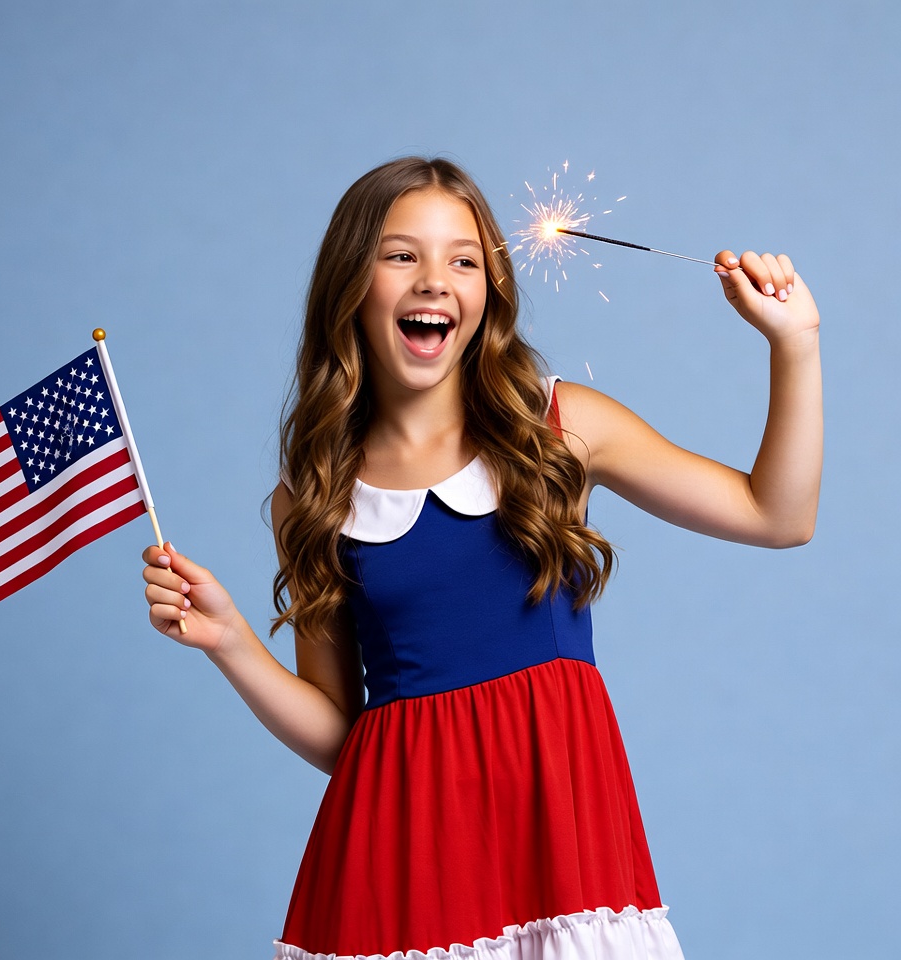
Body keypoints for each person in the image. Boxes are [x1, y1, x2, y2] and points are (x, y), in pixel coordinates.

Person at [141, 157, 821, 960]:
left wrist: (795, 346)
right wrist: (230, 643)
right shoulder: (316, 491)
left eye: (463, 259)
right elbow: (342, 735)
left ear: (489, 290)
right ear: (349, 285)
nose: (435, 280)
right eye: (401, 255)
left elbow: (777, 515)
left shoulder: (559, 426)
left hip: (567, 859)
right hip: (398, 880)